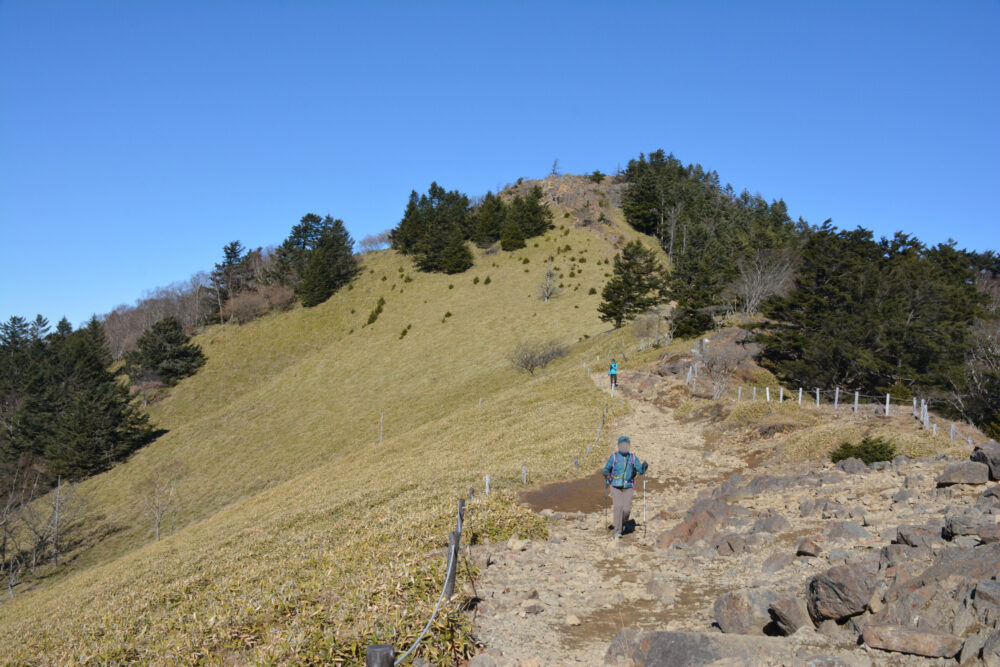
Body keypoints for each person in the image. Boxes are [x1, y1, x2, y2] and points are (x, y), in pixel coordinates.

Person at [603, 436, 648, 538]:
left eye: (626, 445)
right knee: (618, 507)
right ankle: (617, 531)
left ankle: (622, 523)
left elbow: (640, 471)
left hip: (628, 486)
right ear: (619, 446)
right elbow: (606, 468)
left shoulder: (632, 458)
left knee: (626, 510)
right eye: (622, 445)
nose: (624, 447)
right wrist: (606, 472)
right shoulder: (614, 457)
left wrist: (644, 467)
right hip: (615, 485)